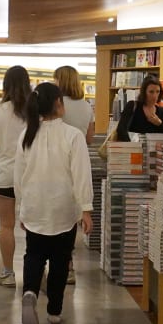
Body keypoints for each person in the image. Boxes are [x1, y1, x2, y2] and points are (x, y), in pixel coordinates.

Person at [14, 82, 93, 324]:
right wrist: (86, 209)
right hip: (63, 208)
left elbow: (19, 176)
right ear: (58, 103)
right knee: (60, 260)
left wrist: (21, 208)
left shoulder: (26, 135)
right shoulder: (73, 135)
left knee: (33, 254)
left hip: (34, 206)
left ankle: (30, 291)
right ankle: (54, 311)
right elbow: (81, 174)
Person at [0, 65, 32, 287]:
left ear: (5, 85)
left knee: (6, 225)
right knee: (34, 226)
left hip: (4, 173)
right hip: (31, 174)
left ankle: (8, 272)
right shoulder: (34, 110)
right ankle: (36, 271)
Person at [53, 65, 95, 284]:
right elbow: (90, 138)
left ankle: (59, 263)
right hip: (79, 162)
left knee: (56, 213)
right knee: (72, 215)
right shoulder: (87, 106)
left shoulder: (58, 105)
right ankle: (68, 263)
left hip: (58, 162)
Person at [115, 75, 163, 142]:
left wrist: (159, 124)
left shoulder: (161, 112)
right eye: (151, 92)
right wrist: (133, 145)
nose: (154, 96)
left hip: (151, 147)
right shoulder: (132, 106)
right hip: (132, 146)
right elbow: (121, 130)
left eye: (157, 91)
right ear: (144, 92)